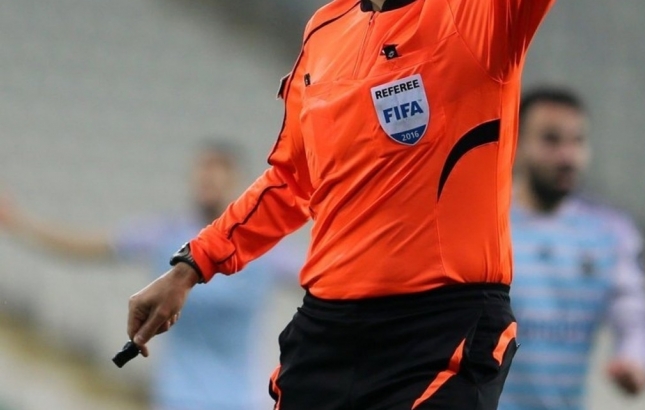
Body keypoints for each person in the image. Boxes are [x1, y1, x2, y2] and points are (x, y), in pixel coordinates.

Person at [125, 1, 556, 409]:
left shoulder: (476, 16)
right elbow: (293, 180)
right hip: (327, 333)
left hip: (441, 329)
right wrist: (191, 265)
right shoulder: (325, 30)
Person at [0, 140, 303, 410]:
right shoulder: (165, 235)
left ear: (238, 182)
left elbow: (315, 279)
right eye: (204, 168)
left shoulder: (264, 247)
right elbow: (85, 246)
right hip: (178, 397)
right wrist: (18, 222)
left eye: (219, 169)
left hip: (241, 399)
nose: (209, 177)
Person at [499, 87, 645, 410]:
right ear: (515, 141)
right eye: (551, 140)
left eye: (577, 141)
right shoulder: (487, 225)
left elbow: (634, 312)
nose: (567, 156)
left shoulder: (610, 233)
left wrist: (635, 358)